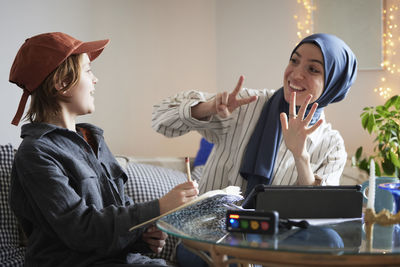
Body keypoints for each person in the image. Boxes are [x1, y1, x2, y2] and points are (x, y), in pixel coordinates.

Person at [8, 32, 199, 267]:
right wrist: (158, 207)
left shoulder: (93, 139)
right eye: (88, 70)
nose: (95, 79)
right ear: (62, 83)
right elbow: (81, 229)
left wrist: (142, 237)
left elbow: (117, 210)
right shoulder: (36, 153)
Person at [152, 33, 358, 197]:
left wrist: (300, 156)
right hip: (206, 240)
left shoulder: (332, 145)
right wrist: (208, 108)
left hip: (276, 247)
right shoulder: (245, 104)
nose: (296, 74)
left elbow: (320, 212)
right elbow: (160, 119)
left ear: (334, 84)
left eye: (313, 69)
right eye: (294, 61)